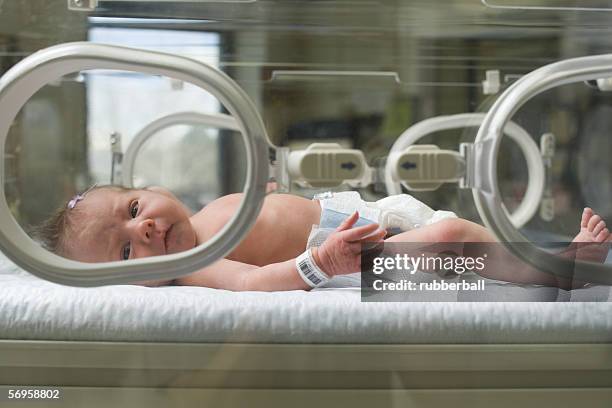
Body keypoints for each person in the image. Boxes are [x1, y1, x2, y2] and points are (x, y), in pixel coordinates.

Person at [34, 185, 610, 291]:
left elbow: (262, 217)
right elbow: (256, 280)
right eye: (128, 250)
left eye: (135, 208)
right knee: (451, 238)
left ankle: (534, 258)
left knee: (459, 235)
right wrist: (320, 263)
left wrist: (273, 196)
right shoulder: (198, 262)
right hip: (354, 254)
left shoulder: (209, 211)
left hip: (366, 213)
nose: (147, 227)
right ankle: (555, 268)